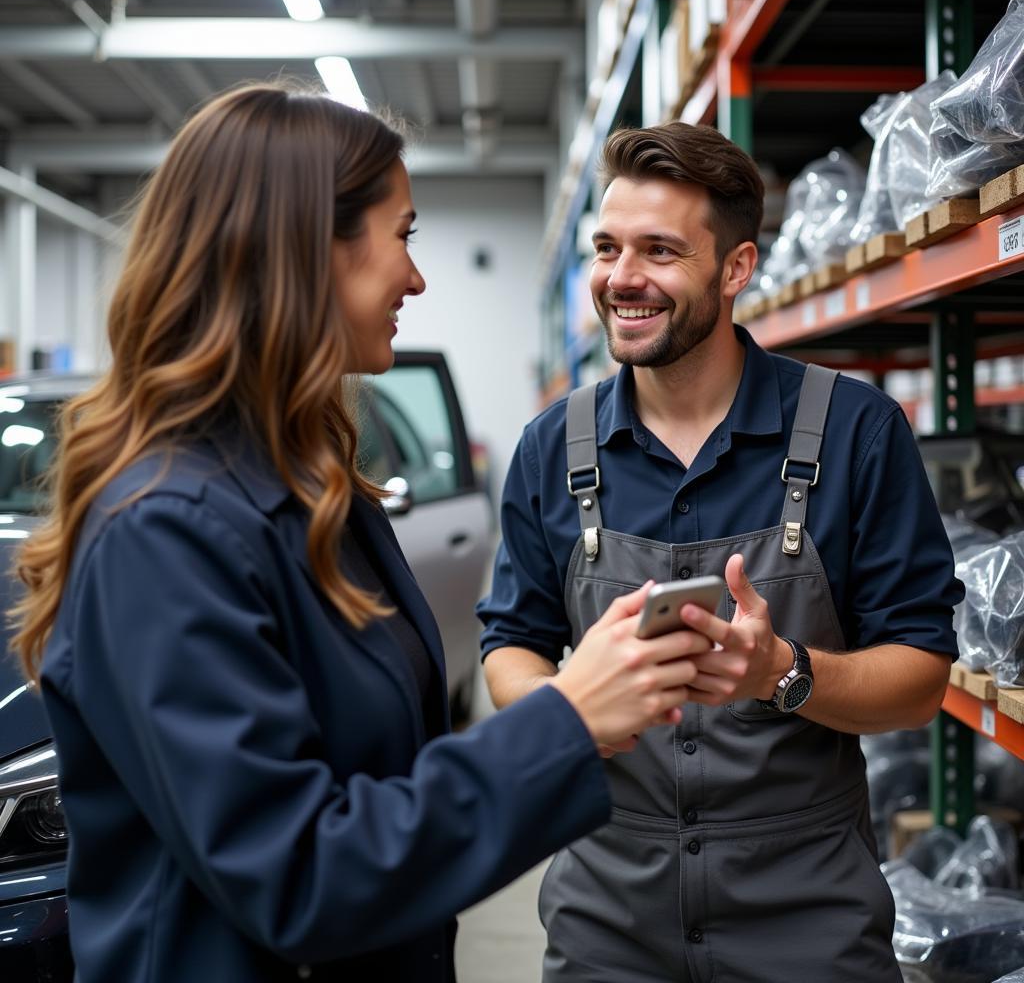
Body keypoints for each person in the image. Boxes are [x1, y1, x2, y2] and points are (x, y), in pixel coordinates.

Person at [8, 85, 713, 983]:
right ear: (305, 250)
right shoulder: (162, 531)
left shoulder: (320, 496)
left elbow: (380, 786)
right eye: (404, 235)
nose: (416, 278)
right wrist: (565, 722)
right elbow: (296, 875)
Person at [478, 121, 964, 983]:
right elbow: (510, 642)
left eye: (660, 251)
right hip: (608, 922)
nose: (622, 279)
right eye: (607, 247)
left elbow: (920, 676)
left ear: (736, 268)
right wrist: (572, 713)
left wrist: (783, 671)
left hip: (808, 923)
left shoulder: (857, 433)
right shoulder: (552, 446)